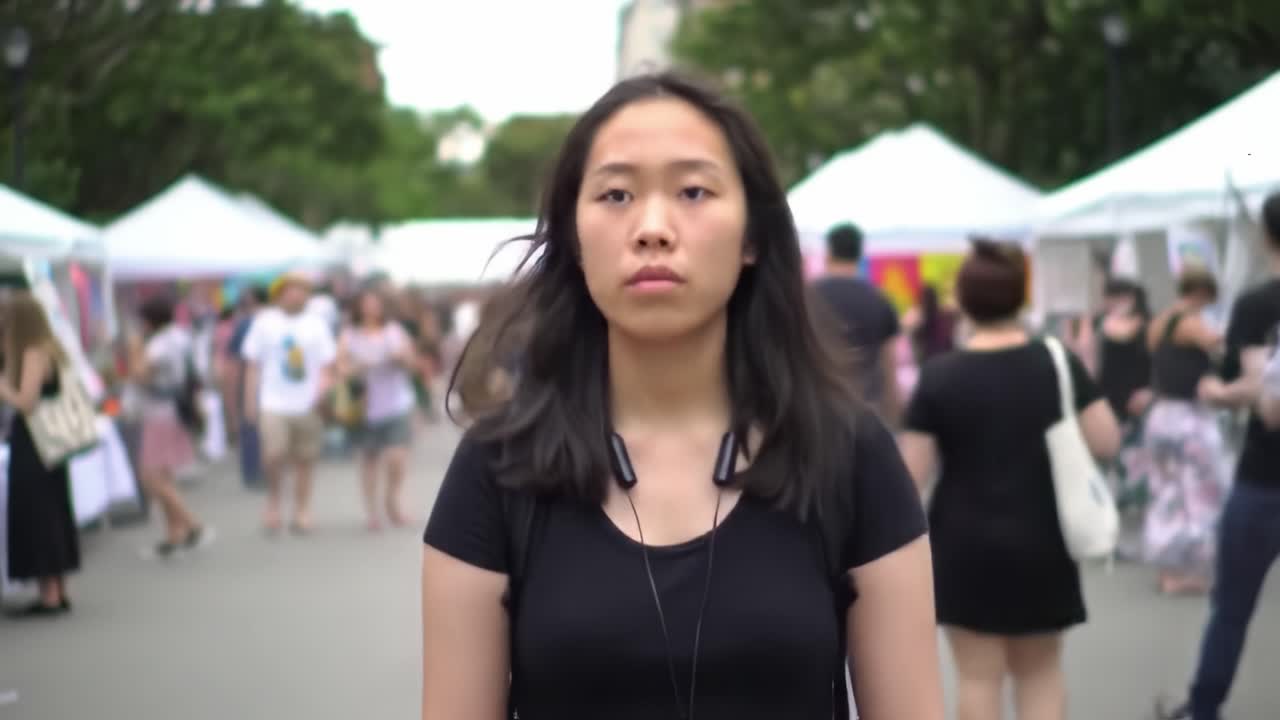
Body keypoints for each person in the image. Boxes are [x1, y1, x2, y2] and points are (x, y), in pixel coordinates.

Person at [420, 72, 943, 720]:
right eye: (615, 194)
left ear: (753, 236)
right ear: (575, 240)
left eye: (694, 191)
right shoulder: (496, 469)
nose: (653, 228)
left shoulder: (849, 455)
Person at [898, 239, 1120, 720]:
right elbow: (1107, 441)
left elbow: (909, 478)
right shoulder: (1056, 361)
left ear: (963, 301)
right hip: (1044, 541)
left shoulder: (938, 376)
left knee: (977, 678)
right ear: (1022, 297)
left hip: (963, 544)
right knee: (1041, 674)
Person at [1157, 191, 1280, 720]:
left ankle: (1202, 708)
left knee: (1231, 606)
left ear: (1265, 235)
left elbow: (1267, 402)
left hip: (1265, 477)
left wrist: (1216, 392)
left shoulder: (1257, 306)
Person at [1142, 267, 1228, 596]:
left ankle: (1169, 570)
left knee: (1166, 494)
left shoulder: (1158, 323)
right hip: (1189, 418)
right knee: (1200, 493)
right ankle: (1193, 570)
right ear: (1203, 293)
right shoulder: (1190, 322)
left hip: (1161, 415)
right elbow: (1218, 341)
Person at [1, 292, 81, 616]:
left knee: (38, 513)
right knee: (50, 511)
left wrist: (4, 388)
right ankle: (55, 588)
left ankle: (49, 591)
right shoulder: (43, 348)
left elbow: (26, 402)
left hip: (35, 442)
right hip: (45, 445)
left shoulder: (34, 352)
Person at [242, 272, 336, 533]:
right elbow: (253, 364)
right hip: (273, 402)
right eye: (292, 290)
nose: (298, 295)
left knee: (305, 459)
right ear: (281, 293)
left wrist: (324, 388)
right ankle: (273, 502)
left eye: (303, 290)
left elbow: (327, 363)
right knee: (274, 455)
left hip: (308, 402)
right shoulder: (264, 322)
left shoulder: (316, 324)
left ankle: (302, 509)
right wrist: (250, 401)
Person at [130, 295, 211, 558]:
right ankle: (175, 533)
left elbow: (140, 375)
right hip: (176, 411)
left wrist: (134, 350)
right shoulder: (182, 337)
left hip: (159, 413)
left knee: (151, 476)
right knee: (164, 476)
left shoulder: (159, 345)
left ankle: (191, 524)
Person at [337, 288, 416, 530]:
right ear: (358, 307)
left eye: (375, 303)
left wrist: (401, 357)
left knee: (396, 458)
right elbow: (340, 367)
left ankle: (392, 499)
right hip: (365, 406)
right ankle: (372, 512)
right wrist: (357, 367)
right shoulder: (350, 335)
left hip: (396, 402)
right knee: (369, 460)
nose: (371, 308)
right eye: (366, 303)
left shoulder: (394, 332)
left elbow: (412, 363)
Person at [812, 223, 903, 424]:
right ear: (860, 254)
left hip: (818, 410)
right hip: (868, 411)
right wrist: (895, 417)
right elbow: (889, 365)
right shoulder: (880, 299)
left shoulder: (806, 297)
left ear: (828, 252)